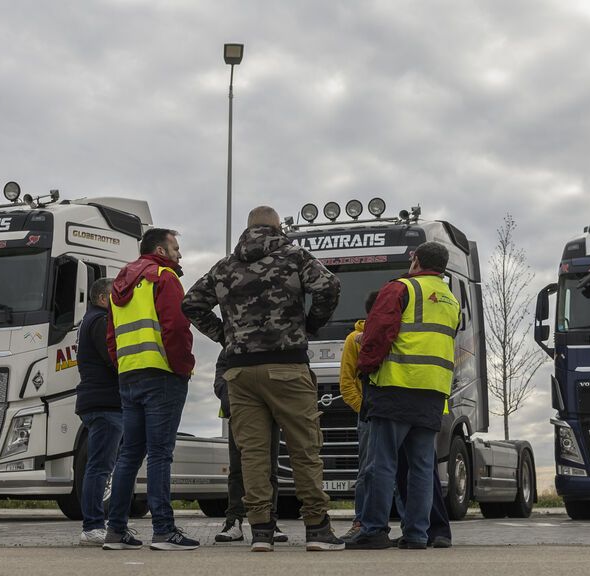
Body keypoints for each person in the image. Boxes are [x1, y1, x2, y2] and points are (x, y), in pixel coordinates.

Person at [182, 205, 345, 552]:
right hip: (288, 367)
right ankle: (317, 529)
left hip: (240, 370)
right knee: (304, 449)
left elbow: (191, 303)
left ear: (248, 228)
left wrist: (226, 335)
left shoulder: (225, 266)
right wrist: (310, 325)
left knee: (252, 454)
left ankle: (261, 531)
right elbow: (329, 286)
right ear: (277, 226)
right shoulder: (294, 256)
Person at [347, 241, 460, 550]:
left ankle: (374, 530)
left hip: (396, 387)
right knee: (422, 467)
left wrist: (366, 368)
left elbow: (378, 331)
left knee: (381, 464)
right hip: (433, 391)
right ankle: (416, 535)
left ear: (416, 260)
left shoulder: (400, 289)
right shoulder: (451, 300)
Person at [102, 228, 199, 552]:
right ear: (161, 249)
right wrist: (183, 367)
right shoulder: (164, 277)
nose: (180, 255)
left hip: (129, 376)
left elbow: (112, 336)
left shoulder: (119, 285)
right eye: (176, 248)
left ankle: (115, 530)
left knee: (129, 454)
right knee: (160, 453)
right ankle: (164, 530)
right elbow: (176, 327)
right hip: (161, 374)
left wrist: (123, 366)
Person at [212, 350, 288, 544]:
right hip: (239, 414)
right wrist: (235, 404)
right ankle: (233, 522)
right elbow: (221, 380)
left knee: (270, 469)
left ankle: (270, 520)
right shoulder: (230, 347)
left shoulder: (271, 343)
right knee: (237, 470)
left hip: (269, 415)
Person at [74, 277, 123, 546]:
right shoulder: (101, 321)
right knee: (100, 467)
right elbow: (113, 359)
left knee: (101, 466)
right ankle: (92, 526)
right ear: (104, 298)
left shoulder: (87, 321)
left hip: (96, 402)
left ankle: (103, 524)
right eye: (116, 295)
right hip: (105, 404)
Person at [338, 290, 377, 540]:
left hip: (394, 412)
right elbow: (346, 382)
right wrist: (362, 407)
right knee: (367, 471)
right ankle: (360, 522)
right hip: (369, 416)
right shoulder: (354, 339)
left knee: (398, 472)